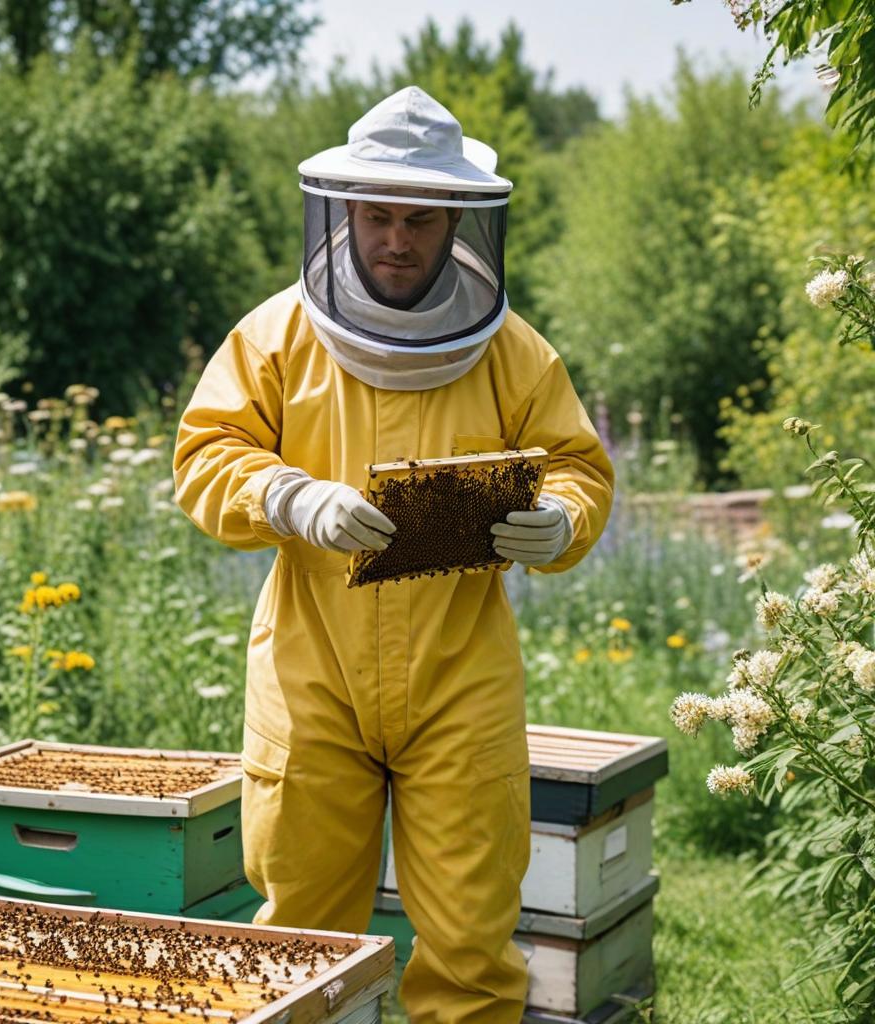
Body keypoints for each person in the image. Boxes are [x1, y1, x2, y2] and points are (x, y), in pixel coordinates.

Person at [173, 85, 614, 1023]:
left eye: (419, 219)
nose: (396, 240)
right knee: (301, 942)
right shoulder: (274, 336)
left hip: (461, 678)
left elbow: (578, 466)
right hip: (312, 673)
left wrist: (562, 520)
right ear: (344, 212)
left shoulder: (516, 354)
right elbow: (205, 456)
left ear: (457, 219)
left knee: (471, 950)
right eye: (378, 216)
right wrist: (288, 495)